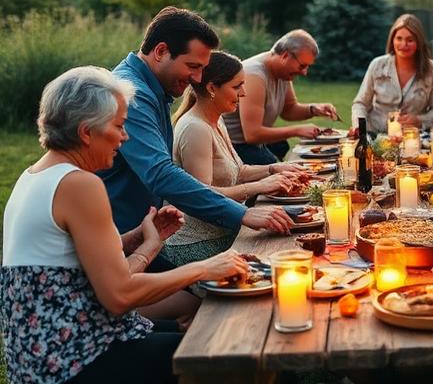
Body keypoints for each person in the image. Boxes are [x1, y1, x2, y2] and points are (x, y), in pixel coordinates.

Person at [1, 66, 251, 383]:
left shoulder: (35, 176)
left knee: (196, 322)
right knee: (223, 351)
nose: (125, 136)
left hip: (43, 355)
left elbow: (74, 274)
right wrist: (204, 269)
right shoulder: (78, 184)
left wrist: (142, 242)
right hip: (73, 360)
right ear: (86, 131)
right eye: (119, 125)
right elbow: (119, 296)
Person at [99, 7, 293, 267]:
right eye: (192, 66)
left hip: (143, 234)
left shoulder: (150, 87)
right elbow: (161, 174)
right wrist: (243, 214)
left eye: (202, 68)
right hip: (119, 241)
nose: (198, 79)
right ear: (161, 52)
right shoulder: (133, 94)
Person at [165, 51, 305, 266]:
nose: (244, 93)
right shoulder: (195, 128)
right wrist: (259, 186)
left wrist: (274, 169)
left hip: (227, 232)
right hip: (199, 244)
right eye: (237, 86)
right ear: (212, 88)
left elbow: (237, 171)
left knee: (293, 244)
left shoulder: (215, 120)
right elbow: (202, 194)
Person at [223, 30, 340, 165]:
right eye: (302, 66)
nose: (304, 72)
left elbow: (289, 110)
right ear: (285, 55)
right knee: (281, 168)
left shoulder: (283, 73)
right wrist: (297, 130)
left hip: (255, 143)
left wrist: (313, 109)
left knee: (282, 145)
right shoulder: (254, 75)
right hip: (236, 147)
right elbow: (252, 134)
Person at [351, 13, 433, 133]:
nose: (403, 45)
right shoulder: (377, 65)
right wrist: (359, 127)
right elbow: (360, 104)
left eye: (410, 40)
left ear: (419, 42)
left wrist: (419, 120)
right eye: (399, 38)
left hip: (413, 139)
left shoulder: (432, 70)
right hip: (376, 138)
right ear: (392, 40)